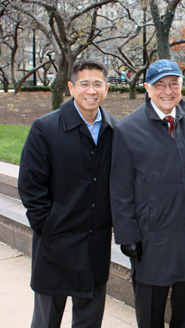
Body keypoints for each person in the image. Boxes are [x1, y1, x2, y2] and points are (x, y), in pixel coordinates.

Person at [18, 59, 116, 327]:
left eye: (97, 84)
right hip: (55, 245)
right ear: (71, 87)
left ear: (106, 88)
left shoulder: (114, 130)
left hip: (95, 248)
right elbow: (30, 186)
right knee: (46, 320)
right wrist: (47, 224)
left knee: (89, 320)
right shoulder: (45, 128)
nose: (91, 90)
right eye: (84, 84)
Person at [110, 59, 185, 328]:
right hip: (151, 241)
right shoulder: (127, 130)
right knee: (150, 315)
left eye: (174, 84)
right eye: (159, 85)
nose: (167, 91)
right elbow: (120, 189)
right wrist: (127, 236)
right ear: (147, 88)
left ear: (181, 86)